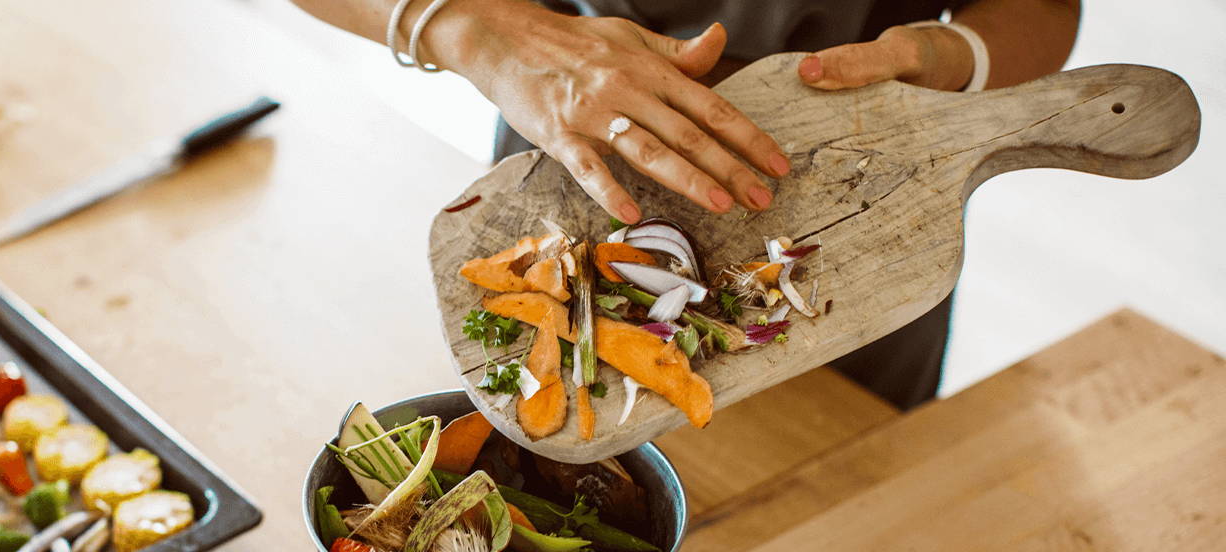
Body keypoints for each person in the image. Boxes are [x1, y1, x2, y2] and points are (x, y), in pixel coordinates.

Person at [292, 0, 1080, 409]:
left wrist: (952, 58)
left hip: (862, 199)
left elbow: (1040, 9)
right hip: (575, 188)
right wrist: (468, 27)